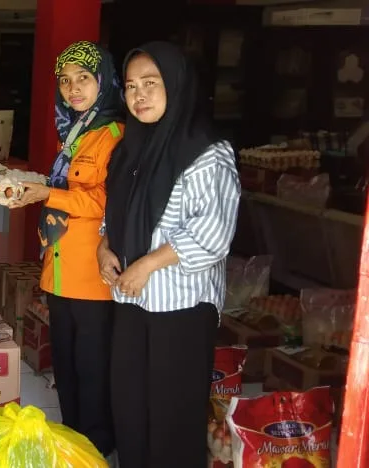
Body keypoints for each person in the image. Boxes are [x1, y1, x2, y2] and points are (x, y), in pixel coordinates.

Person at [99, 41, 240, 468]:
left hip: (180, 308)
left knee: (171, 418)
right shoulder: (130, 149)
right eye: (131, 86)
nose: (139, 95)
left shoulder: (206, 152)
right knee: (131, 408)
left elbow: (213, 234)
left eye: (151, 84)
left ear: (176, 86)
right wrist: (105, 247)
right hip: (133, 299)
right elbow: (115, 211)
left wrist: (146, 264)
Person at [12, 41, 124, 459]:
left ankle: (95, 447)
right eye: (64, 80)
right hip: (59, 268)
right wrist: (39, 190)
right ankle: (74, 442)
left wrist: (47, 192)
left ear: (103, 82)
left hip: (92, 274)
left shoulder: (112, 134)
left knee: (93, 369)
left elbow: (101, 201)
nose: (72, 89)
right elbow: (65, 190)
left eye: (83, 79)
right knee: (67, 367)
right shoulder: (74, 132)